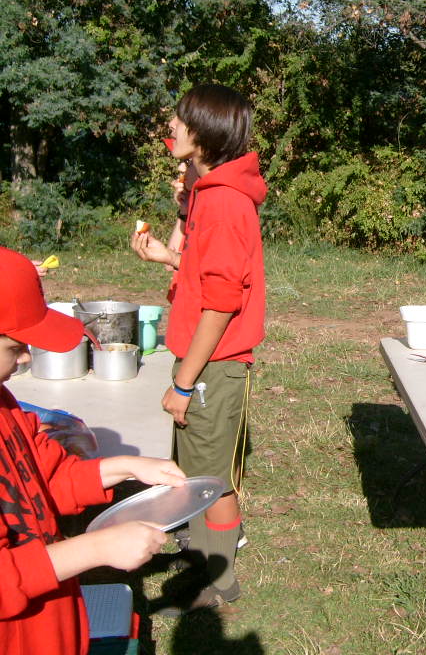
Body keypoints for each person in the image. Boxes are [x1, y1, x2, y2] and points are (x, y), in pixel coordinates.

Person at [0, 246, 185, 655]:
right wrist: (96, 548)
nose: (27, 356)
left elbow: (45, 477)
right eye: (15, 346)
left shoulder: (5, 405)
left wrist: (125, 466)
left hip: (50, 623)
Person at [130, 84, 266, 613]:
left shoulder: (226, 203)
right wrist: (172, 249)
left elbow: (221, 305)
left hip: (214, 364)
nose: (171, 127)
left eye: (180, 120)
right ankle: (205, 557)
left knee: (213, 481)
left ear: (205, 133)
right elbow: (202, 270)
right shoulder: (209, 194)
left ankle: (220, 582)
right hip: (200, 360)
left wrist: (184, 384)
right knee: (197, 471)